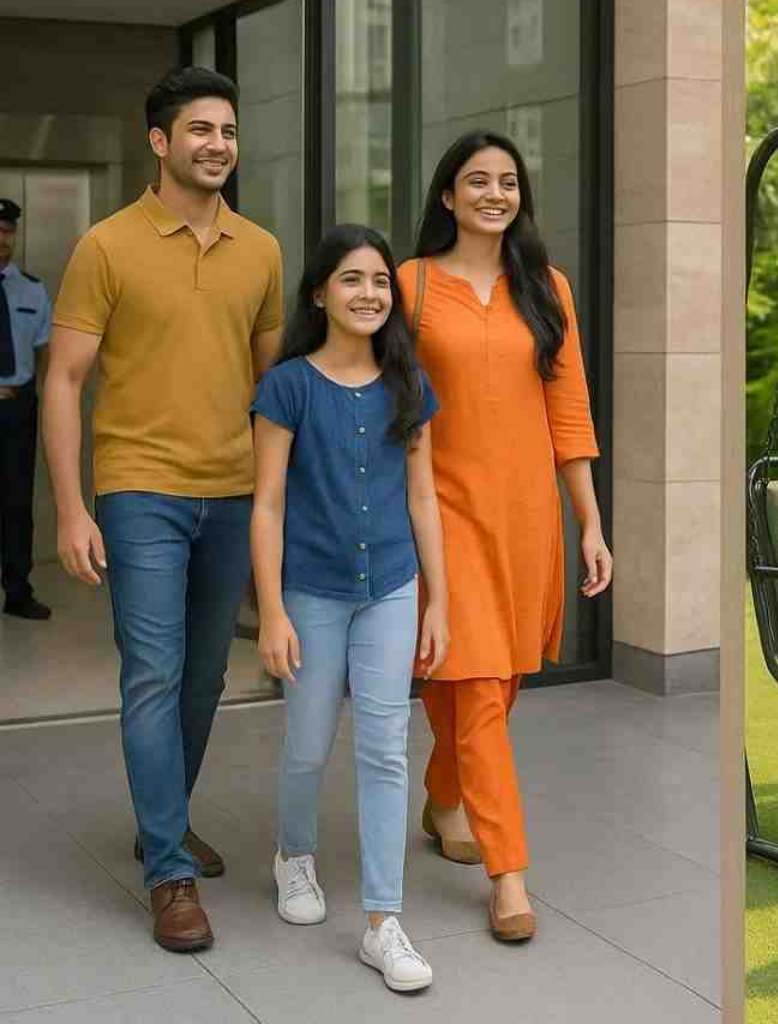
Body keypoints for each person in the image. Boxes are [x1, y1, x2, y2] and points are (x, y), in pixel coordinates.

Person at [42, 66, 283, 951]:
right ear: (160, 142)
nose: (217, 144)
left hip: (232, 491)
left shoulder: (261, 249)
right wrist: (73, 509)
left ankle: (163, 821)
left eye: (227, 129)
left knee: (208, 675)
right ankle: (170, 875)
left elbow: (271, 387)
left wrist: (279, 501)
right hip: (139, 488)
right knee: (152, 671)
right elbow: (63, 382)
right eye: (199, 130)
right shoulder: (105, 246)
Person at [399, 130, 612, 941]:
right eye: (476, 180)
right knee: (478, 685)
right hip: (442, 513)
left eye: (508, 181)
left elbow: (570, 415)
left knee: (496, 683)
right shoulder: (410, 285)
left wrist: (589, 520)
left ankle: (445, 796)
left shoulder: (546, 288)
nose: (494, 192)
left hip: (528, 519)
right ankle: (509, 876)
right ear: (447, 197)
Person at [251, 224, 446, 992]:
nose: (369, 294)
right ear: (320, 294)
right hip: (311, 592)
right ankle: (294, 855)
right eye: (352, 279)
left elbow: (424, 497)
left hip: (393, 588)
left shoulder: (408, 384)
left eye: (380, 282)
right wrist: (271, 610)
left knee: (387, 747)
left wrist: (438, 601)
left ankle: (382, 922)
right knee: (307, 743)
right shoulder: (288, 385)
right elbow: (266, 505)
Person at [0, 197, 53, 621]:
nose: (3, 239)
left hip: (17, 410)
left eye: (8, 230)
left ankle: (17, 590)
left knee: (17, 501)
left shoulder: (31, 290)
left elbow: (45, 355)